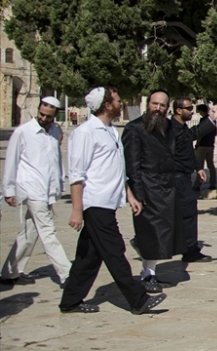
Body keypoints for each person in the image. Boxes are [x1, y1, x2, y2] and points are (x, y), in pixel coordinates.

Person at [60, 87, 165, 315]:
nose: (121, 103)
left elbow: (117, 169)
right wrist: (77, 210)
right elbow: (76, 175)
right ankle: (137, 299)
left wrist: (129, 195)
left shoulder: (109, 131)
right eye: (117, 100)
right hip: (95, 203)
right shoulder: (86, 133)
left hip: (108, 201)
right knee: (115, 251)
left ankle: (70, 300)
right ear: (107, 105)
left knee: (88, 256)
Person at [2, 97, 71, 285]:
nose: (44, 118)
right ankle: (67, 273)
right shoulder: (23, 132)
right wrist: (9, 190)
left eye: (48, 116)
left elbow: (55, 160)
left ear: (55, 115)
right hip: (32, 188)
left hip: (47, 189)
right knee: (48, 231)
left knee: (29, 231)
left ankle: (10, 271)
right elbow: (11, 161)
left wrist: (58, 184)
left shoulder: (56, 131)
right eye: (41, 114)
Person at [123, 90, 182, 291]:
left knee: (163, 234)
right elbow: (132, 164)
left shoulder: (168, 128)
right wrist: (137, 193)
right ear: (148, 104)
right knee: (151, 233)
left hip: (165, 188)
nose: (157, 108)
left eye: (162, 105)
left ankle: (151, 272)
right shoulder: (135, 129)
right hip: (147, 188)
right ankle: (147, 276)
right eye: (154, 104)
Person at [171, 96, 217, 263]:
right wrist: (210, 119)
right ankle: (190, 250)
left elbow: (187, 149)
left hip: (183, 176)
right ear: (178, 110)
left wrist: (198, 167)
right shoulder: (173, 128)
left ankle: (188, 247)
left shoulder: (181, 127)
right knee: (187, 212)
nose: (192, 111)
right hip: (176, 177)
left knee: (181, 213)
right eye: (189, 108)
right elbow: (193, 135)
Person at [193, 104, 217, 193]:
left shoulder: (203, 121)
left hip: (202, 145)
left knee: (200, 166)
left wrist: (197, 145)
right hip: (210, 145)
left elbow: (200, 134)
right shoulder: (213, 120)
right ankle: (212, 183)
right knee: (211, 165)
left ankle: (197, 184)